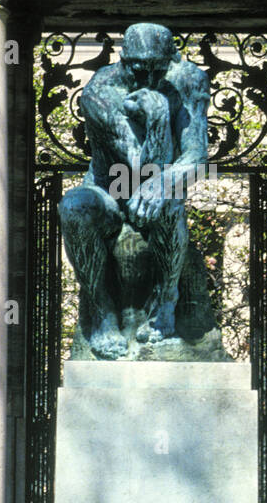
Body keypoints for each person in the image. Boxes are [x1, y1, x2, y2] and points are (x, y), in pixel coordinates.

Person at [58, 24, 210, 359]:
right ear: (123, 59)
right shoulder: (100, 91)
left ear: (173, 58)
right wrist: (157, 119)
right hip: (109, 192)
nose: (148, 80)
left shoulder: (190, 79)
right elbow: (140, 167)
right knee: (72, 206)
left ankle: (166, 302)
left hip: (157, 194)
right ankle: (101, 314)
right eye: (139, 69)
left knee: (170, 201)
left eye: (158, 70)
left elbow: (197, 156)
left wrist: (165, 182)